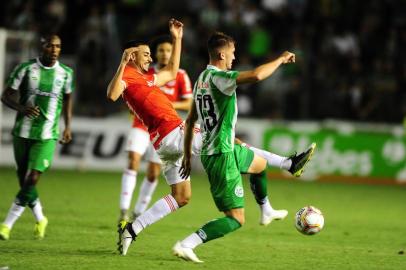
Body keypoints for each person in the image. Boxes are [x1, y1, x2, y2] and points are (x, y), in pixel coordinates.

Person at [108, 20, 311, 257]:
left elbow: (172, 72)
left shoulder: (147, 79)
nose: (150, 59)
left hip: (166, 142)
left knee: (181, 197)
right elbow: (112, 94)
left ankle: (132, 229)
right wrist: (122, 63)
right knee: (226, 140)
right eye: (145, 55)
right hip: (173, 133)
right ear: (131, 56)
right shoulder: (127, 77)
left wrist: (177, 38)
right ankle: (288, 164)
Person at [173, 32, 316, 263]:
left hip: (222, 147)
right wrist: (280, 60)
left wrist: (188, 157)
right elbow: (258, 76)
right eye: (232, 53)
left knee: (259, 165)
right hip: (220, 155)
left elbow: (190, 121)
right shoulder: (221, 77)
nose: (234, 57)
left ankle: (267, 209)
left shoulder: (201, 78)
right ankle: (187, 244)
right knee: (236, 219)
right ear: (221, 53)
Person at [0, 35, 74, 240]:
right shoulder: (25, 68)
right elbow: (5, 95)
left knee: (32, 179)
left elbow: (68, 99)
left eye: (58, 46)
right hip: (22, 132)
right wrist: (22, 108)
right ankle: (41, 218)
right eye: (50, 45)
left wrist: (68, 126)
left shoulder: (66, 73)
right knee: (24, 182)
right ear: (42, 47)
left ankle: (6, 225)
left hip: (47, 134)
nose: (54, 49)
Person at [118, 35, 193, 223]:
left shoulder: (179, 75)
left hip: (165, 127)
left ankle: (139, 211)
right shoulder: (143, 72)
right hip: (141, 125)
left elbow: (189, 103)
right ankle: (123, 210)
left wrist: (166, 104)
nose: (163, 54)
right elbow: (118, 92)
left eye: (168, 50)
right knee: (133, 160)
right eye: (159, 50)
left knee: (153, 172)